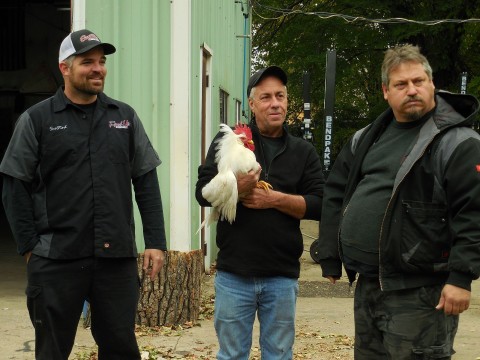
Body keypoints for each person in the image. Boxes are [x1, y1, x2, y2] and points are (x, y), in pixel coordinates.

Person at [0, 29, 167, 360]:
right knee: (52, 351)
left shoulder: (124, 118)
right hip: (56, 259)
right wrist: (30, 247)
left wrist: (155, 241)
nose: (98, 69)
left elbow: (146, 180)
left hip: (115, 260)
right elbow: (14, 184)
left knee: (121, 348)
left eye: (102, 62)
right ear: (64, 67)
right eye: (87, 61)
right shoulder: (37, 120)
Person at [317, 44, 480, 359]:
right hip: (369, 285)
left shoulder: (459, 143)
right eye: (401, 84)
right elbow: (335, 191)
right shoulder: (366, 137)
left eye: (419, 81)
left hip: (421, 293)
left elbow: (473, 213)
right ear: (385, 91)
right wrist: (330, 253)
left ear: (432, 84)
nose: (412, 90)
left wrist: (461, 277)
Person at [196, 66, 324, 359]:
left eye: (280, 96)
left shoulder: (303, 151)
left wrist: (275, 199)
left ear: (288, 101)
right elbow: (201, 192)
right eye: (265, 97)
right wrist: (237, 189)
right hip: (234, 273)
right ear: (252, 105)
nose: (275, 103)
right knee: (231, 355)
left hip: (281, 275)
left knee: (278, 354)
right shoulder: (229, 142)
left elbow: (319, 204)